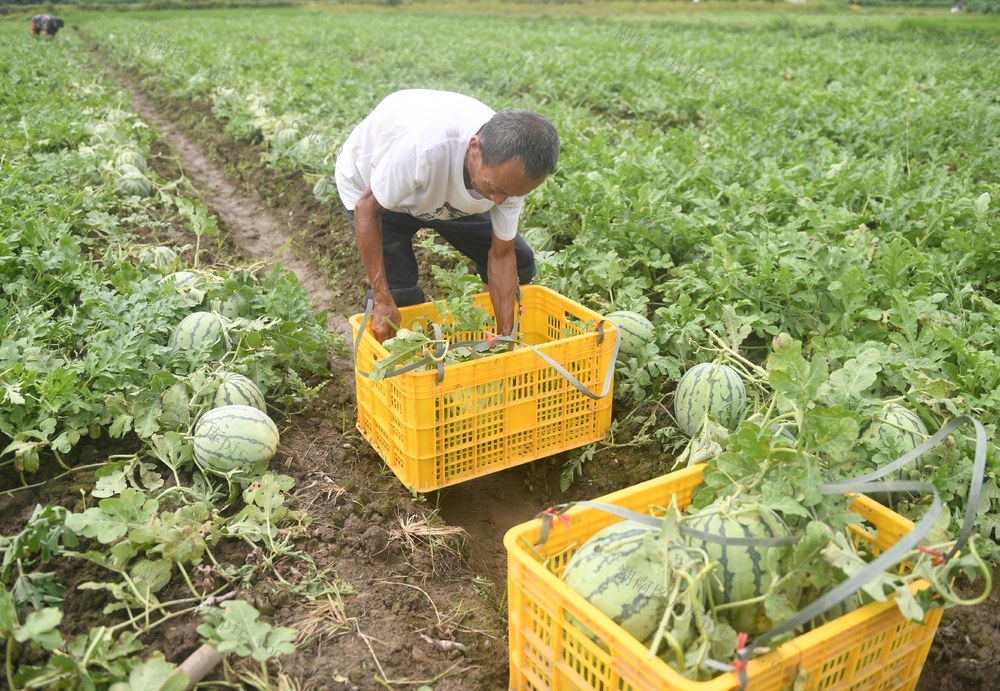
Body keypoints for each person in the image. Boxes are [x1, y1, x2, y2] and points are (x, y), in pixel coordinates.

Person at [335, 89, 560, 342]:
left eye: (512, 195)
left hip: (445, 191)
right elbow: (367, 209)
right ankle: (390, 366)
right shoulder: (422, 148)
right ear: (475, 148)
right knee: (399, 300)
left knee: (520, 262)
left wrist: (505, 337)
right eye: (496, 189)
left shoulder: (509, 178)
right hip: (379, 196)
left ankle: (482, 326)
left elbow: (502, 253)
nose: (499, 201)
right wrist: (382, 298)